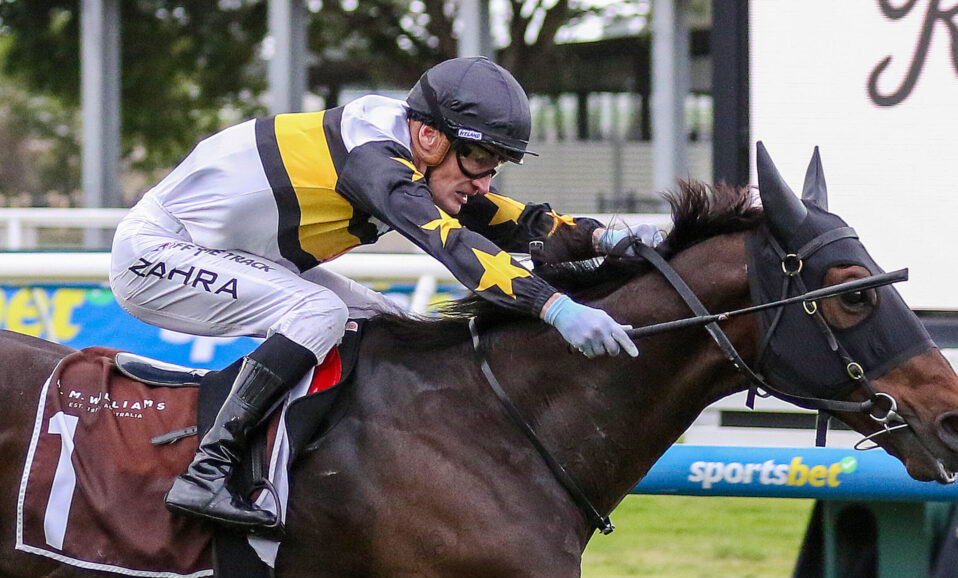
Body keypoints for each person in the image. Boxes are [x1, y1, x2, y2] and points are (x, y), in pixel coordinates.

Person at [109, 56, 663, 530]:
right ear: (430, 137)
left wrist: (608, 238)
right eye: (479, 161)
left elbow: (518, 221)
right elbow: (453, 245)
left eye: (494, 166)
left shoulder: (419, 153)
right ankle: (208, 469)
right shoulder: (375, 159)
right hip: (157, 252)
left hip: (239, 255)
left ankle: (331, 471)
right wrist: (554, 306)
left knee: (389, 323)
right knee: (319, 311)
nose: (484, 181)